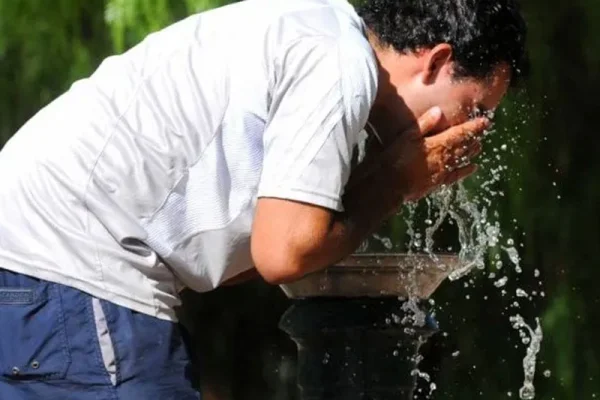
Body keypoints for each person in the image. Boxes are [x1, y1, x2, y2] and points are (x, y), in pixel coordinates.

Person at [0, 0, 528, 398]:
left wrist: (377, 180)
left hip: (37, 273)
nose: (474, 129)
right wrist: (396, 182)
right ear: (436, 61)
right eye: (476, 108)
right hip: (74, 272)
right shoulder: (338, 66)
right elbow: (284, 255)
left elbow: (248, 259)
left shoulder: (317, 32)